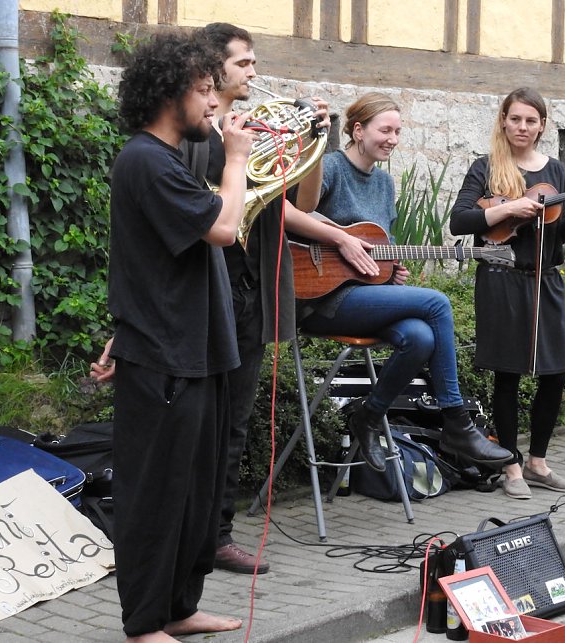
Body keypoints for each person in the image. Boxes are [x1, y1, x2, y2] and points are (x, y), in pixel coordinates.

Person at [182, 23, 378, 575]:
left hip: (250, 290)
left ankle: (218, 535)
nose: (253, 72)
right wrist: (236, 156)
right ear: (214, 68)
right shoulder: (195, 133)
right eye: (243, 63)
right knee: (197, 418)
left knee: (236, 419)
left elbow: (305, 200)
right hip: (203, 289)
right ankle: (183, 532)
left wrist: (315, 143)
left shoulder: (260, 131)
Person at [101, 32, 255, 641]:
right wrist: (238, 159)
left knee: (194, 495)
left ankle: (178, 609)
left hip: (197, 350)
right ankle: (144, 624)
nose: (214, 104)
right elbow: (222, 226)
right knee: (156, 497)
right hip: (165, 355)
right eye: (203, 90)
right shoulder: (144, 159)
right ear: (171, 92)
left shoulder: (166, 160)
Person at [295, 92, 512, 471]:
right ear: (358, 130)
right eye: (385, 130)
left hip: (368, 298)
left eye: (398, 131)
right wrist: (342, 239)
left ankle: (368, 414)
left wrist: (392, 270)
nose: (393, 139)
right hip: (322, 299)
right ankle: (456, 422)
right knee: (437, 303)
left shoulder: (384, 184)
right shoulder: (329, 168)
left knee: (421, 338)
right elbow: (295, 214)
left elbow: (381, 247)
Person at [450, 87, 565, 500]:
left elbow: (557, 237)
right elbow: (460, 220)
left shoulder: (558, 173)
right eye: (516, 119)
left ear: (543, 126)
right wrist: (508, 209)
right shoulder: (486, 167)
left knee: (556, 370)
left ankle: (538, 463)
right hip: (500, 279)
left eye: (531, 121)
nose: (523, 127)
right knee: (508, 373)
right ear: (503, 120)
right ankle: (511, 465)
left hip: (545, 279)